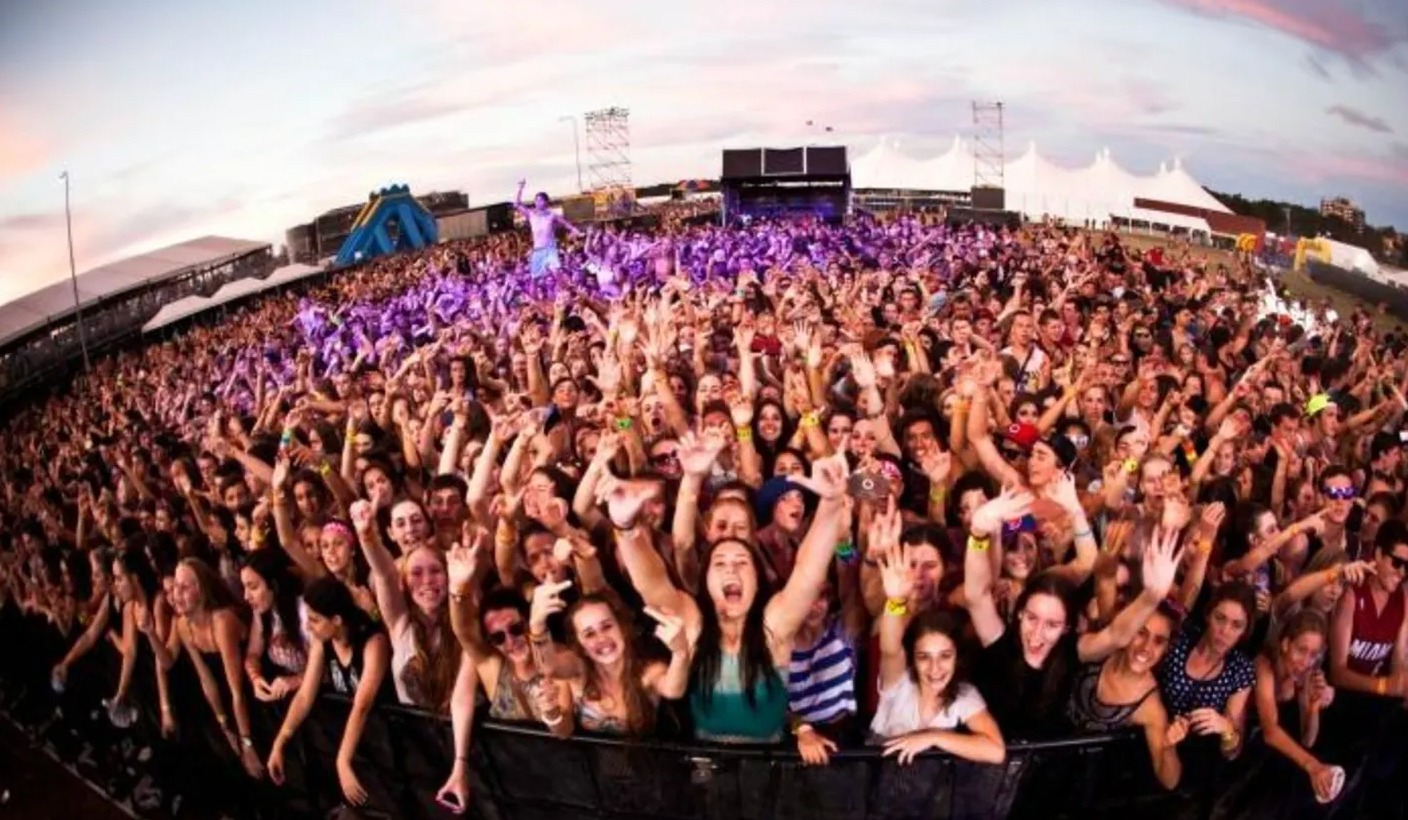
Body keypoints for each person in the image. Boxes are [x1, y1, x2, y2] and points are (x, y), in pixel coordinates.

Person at [515, 179, 583, 278]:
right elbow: (517, 204)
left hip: (550, 248)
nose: (537, 202)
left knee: (556, 272)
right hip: (538, 250)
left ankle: (565, 287)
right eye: (536, 200)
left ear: (546, 202)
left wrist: (574, 230)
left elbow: (565, 223)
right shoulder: (531, 214)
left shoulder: (552, 215)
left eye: (540, 200)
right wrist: (520, 188)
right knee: (535, 279)